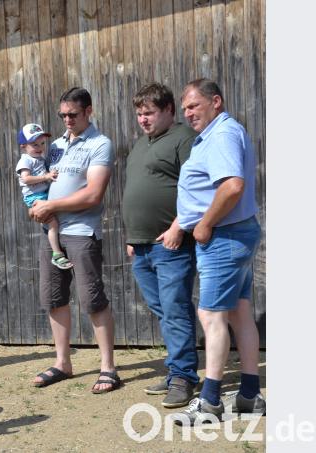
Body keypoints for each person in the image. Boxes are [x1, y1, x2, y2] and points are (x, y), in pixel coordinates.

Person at [174, 79, 264, 424]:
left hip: (224, 236)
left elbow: (232, 186)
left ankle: (210, 402)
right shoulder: (219, 132)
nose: (188, 113)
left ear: (216, 102)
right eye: (185, 108)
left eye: (194, 106)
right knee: (240, 312)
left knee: (211, 317)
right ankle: (250, 395)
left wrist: (205, 223)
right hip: (234, 234)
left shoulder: (222, 134)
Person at [29, 87, 120, 393]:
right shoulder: (53, 146)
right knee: (54, 298)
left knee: (92, 299)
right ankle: (62, 362)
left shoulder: (100, 144)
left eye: (73, 114)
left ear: (88, 112)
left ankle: (108, 367)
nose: (67, 119)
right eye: (63, 115)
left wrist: (51, 206)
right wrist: (35, 202)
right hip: (51, 232)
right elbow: (35, 178)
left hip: (81, 232)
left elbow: (94, 194)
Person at [122, 83, 199, 408]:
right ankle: (175, 371)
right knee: (165, 310)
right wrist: (131, 237)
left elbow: (197, 187)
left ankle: (183, 377)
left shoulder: (183, 139)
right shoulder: (141, 144)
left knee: (175, 308)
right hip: (141, 246)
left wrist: (177, 226)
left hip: (171, 243)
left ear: (169, 110)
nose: (143, 119)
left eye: (149, 113)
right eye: (139, 114)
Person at [15, 123, 72, 270]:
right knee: (52, 223)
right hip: (35, 197)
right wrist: (46, 176)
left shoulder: (39, 158)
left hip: (42, 194)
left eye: (42, 143)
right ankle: (57, 254)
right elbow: (26, 179)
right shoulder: (25, 160)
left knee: (54, 220)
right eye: (35, 144)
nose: (40, 147)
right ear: (23, 146)